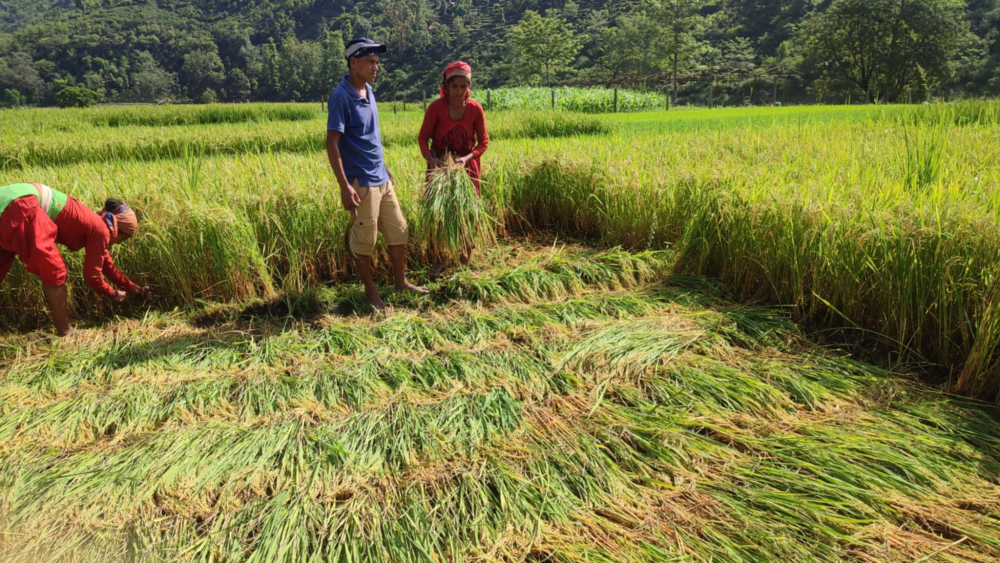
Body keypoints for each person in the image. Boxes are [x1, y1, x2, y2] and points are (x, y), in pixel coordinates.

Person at [326, 37, 427, 310]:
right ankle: (370, 293)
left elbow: (372, 137)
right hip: (361, 181)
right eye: (370, 62)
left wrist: (385, 167)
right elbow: (332, 142)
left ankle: (400, 282)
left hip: (381, 177)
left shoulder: (369, 91)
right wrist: (344, 186)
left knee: (399, 231)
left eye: (377, 62)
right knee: (364, 241)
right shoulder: (341, 97)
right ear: (353, 62)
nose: (375, 67)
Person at [0, 182, 147, 336]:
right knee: (54, 269)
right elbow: (92, 276)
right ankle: (66, 331)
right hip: (21, 204)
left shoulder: (94, 223)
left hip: (9, 199)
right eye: (123, 240)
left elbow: (106, 265)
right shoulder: (101, 230)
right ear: (119, 229)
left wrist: (133, 288)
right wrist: (113, 293)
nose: (118, 244)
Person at [417, 61, 489, 278]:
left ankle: (465, 259)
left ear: (469, 86)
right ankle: (440, 259)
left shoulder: (475, 108)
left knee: (467, 213)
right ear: (446, 86)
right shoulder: (436, 108)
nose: (459, 91)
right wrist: (431, 160)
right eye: (455, 86)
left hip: (466, 170)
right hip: (440, 168)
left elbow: (483, 143)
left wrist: (467, 159)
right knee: (438, 214)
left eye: (464, 86)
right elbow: (423, 139)